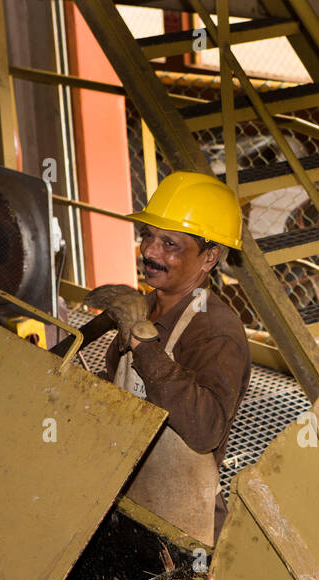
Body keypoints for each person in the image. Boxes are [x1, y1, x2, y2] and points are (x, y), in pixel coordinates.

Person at [82, 172, 250, 545]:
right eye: (148, 236)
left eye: (170, 243)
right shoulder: (150, 305)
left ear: (210, 257)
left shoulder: (215, 330)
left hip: (181, 530)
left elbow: (204, 427)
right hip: (126, 500)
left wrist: (142, 341)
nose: (150, 252)